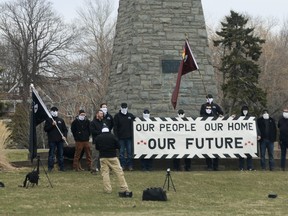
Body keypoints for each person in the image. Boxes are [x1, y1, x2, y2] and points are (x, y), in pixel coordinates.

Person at [95, 127, 132, 197]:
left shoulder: (98, 137)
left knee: (105, 173)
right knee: (119, 172)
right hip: (112, 157)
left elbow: (97, 147)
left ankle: (107, 189)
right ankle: (124, 187)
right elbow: (118, 146)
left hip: (103, 157)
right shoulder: (113, 137)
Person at [44, 106, 68, 172]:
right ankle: (50, 167)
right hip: (52, 140)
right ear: (51, 112)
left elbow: (65, 130)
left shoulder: (61, 120)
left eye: (56, 111)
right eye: (53, 111)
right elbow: (46, 129)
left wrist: (65, 136)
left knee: (60, 154)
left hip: (60, 140)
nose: (55, 112)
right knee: (51, 154)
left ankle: (61, 167)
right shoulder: (48, 120)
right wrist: (52, 125)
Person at [113, 102, 135, 171]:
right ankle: (122, 165)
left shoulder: (130, 115)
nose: (124, 109)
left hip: (129, 138)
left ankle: (130, 165)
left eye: (125, 107)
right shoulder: (117, 116)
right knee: (121, 153)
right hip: (121, 138)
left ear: (127, 108)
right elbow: (115, 127)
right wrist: (116, 136)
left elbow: (137, 122)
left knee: (129, 153)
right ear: (121, 108)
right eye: (123, 107)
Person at [200, 103, 220, 171]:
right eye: (207, 109)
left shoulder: (215, 116)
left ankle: (216, 166)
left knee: (216, 152)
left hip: (214, 136)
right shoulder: (202, 117)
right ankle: (209, 166)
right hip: (206, 137)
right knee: (208, 152)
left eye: (209, 109)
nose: (208, 110)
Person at [238, 105, 254, 171]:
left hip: (249, 138)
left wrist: (258, 134)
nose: (245, 111)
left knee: (249, 153)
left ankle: (249, 167)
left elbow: (255, 127)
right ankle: (241, 167)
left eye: (246, 110)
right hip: (241, 138)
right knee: (241, 153)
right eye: (244, 110)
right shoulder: (239, 118)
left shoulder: (251, 118)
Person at [90, 110, 104, 174]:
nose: (102, 115)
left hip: (103, 142)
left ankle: (103, 169)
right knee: (95, 156)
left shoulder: (103, 122)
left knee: (103, 157)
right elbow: (93, 132)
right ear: (97, 114)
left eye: (102, 114)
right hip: (96, 142)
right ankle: (93, 169)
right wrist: (101, 132)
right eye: (100, 114)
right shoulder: (93, 123)